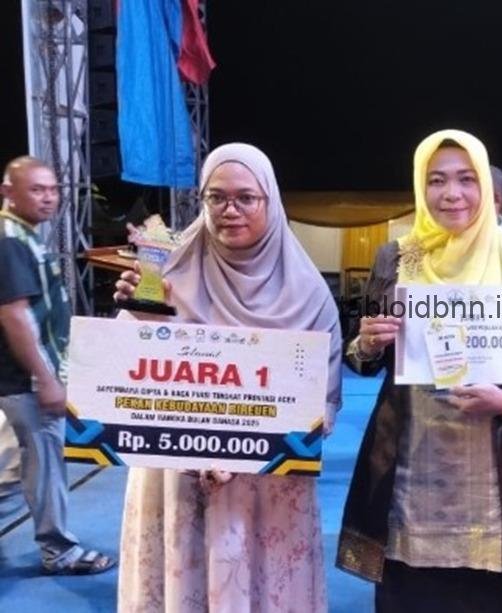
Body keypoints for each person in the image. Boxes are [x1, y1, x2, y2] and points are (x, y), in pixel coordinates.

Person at [336, 129, 502, 612]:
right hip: (411, 464)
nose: (451, 193)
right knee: (411, 594)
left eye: (466, 179)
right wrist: (368, 342)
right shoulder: (397, 256)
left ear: (486, 185)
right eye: (436, 180)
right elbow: (364, 356)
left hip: (496, 466)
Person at [112, 143, 342, 611]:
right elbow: (121, 381)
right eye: (215, 197)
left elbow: (320, 403)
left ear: (270, 200)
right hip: (175, 478)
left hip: (266, 486)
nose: (229, 210)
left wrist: (242, 450)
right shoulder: (164, 270)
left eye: (245, 198)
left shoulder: (309, 295)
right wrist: (142, 319)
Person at [0, 156, 115, 574]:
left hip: (25, 378)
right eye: (37, 189)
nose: (48, 198)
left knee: (21, 464)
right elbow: (14, 315)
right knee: (44, 463)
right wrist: (45, 378)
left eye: (52, 189)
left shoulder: (25, 236)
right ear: (8, 193)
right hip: (27, 380)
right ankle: (59, 550)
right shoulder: (10, 240)